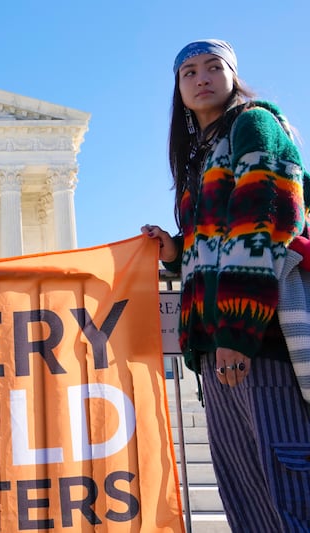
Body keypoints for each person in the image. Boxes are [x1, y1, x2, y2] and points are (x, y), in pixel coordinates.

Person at [143, 40, 310, 531]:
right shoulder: (199, 156)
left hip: (259, 342)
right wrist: (175, 250)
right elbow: (213, 238)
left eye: (213, 67)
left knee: (288, 495)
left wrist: (236, 335)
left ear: (232, 75)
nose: (201, 78)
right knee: (248, 501)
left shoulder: (253, 124)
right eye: (188, 72)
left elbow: (262, 227)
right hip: (216, 349)